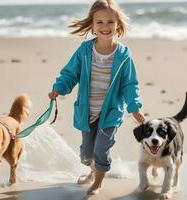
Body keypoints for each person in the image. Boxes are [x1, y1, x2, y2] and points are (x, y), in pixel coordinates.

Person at [48, 0, 145, 195]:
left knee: (101, 149)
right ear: (92, 25)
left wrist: (134, 107)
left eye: (110, 22)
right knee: (86, 154)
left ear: (118, 24)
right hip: (87, 110)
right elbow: (70, 73)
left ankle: (98, 182)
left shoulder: (124, 55)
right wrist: (59, 88)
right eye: (99, 22)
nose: (105, 27)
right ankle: (93, 170)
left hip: (110, 112)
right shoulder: (84, 51)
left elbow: (130, 83)